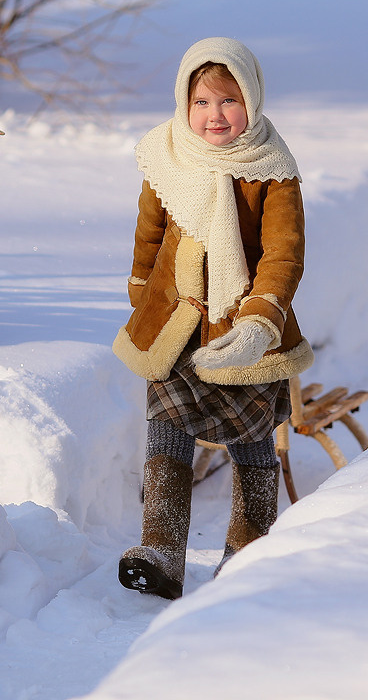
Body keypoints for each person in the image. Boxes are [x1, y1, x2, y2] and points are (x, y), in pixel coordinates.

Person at [112, 37, 313, 600]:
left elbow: (283, 254)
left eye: (228, 101)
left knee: (253, 440)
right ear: (183, 102)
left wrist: (258, 322)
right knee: (166, 429)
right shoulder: (166, 154)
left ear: (252, 99)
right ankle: (162, 550)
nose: (214, 116)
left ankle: (247, 550)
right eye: (201, 102)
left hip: (243, 332)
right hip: (175, 326)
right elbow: (150, 233)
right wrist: (140, 294)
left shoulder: (272, 168)